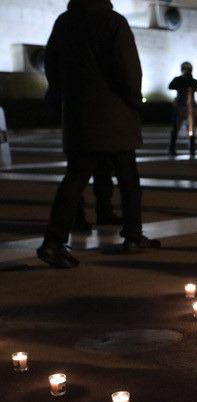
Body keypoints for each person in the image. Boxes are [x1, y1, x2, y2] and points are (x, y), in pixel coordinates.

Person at [38, 0, 160, 268]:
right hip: (114, 114)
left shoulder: (63, 22)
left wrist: (67, 100)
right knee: (128, 179)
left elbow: (51, 68)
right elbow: (128, 68)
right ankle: (132, 237)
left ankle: (53, 242)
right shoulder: (113, 21)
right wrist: (133, 102)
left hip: (79, 117)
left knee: (74, 179)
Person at [168, 61, 197, 156]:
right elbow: (171, 86)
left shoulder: (193, 81)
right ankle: (172, 148)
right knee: (175, 129)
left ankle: (192, 149)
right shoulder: (178, 80)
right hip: (180, 106)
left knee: (191, 129)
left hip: (190, 107)